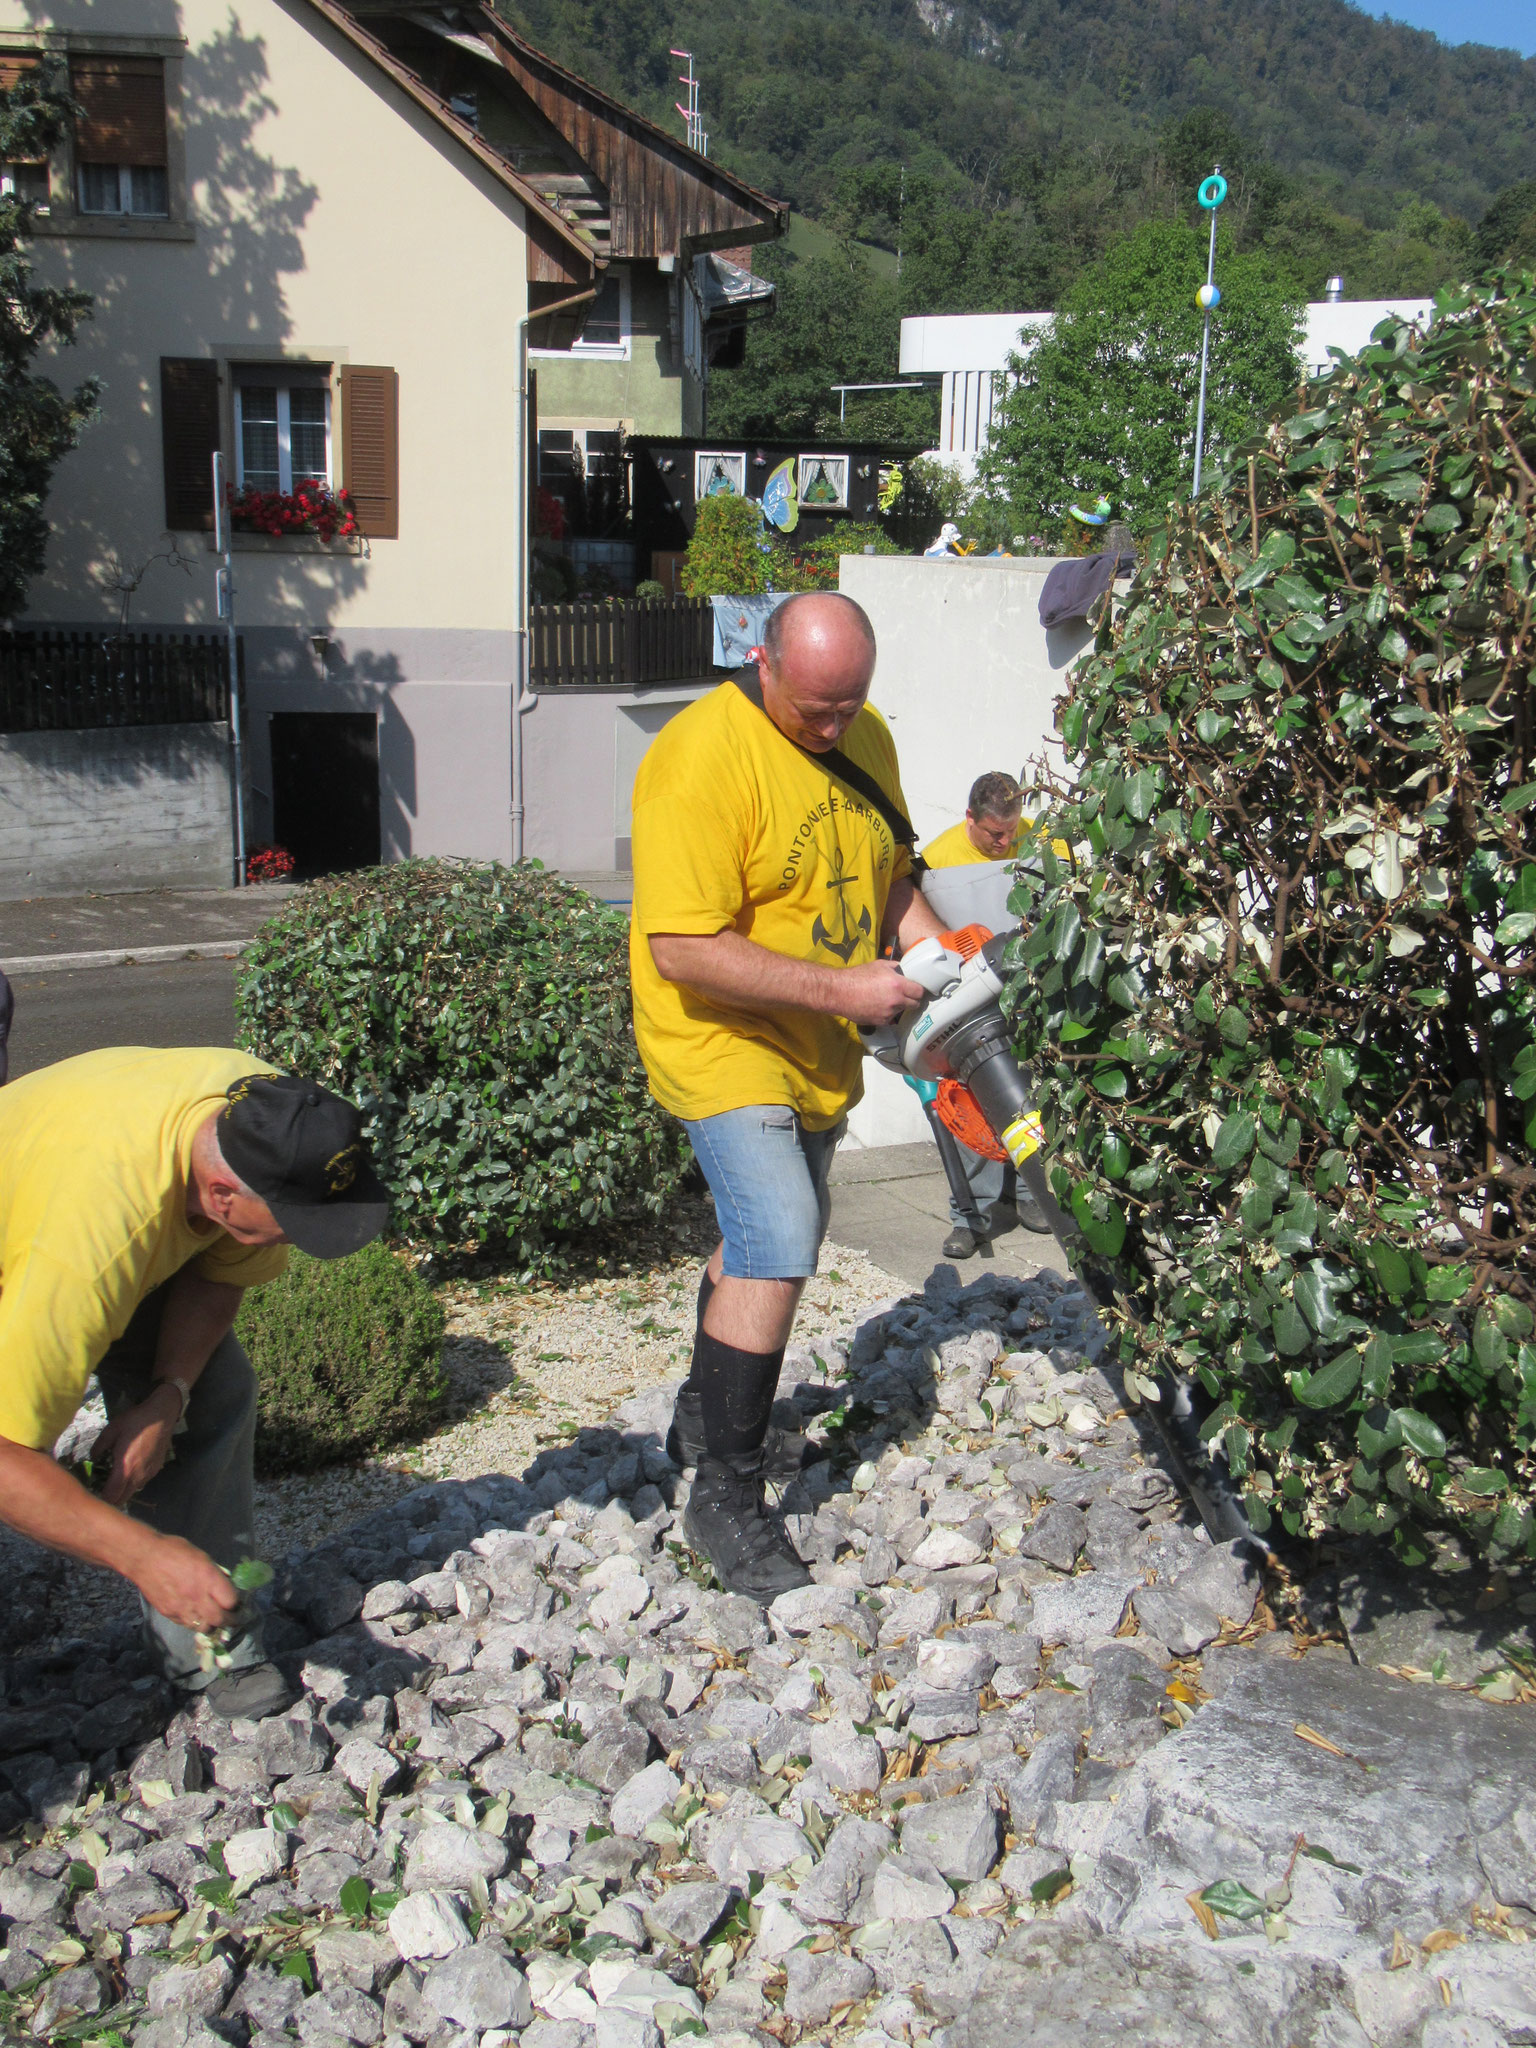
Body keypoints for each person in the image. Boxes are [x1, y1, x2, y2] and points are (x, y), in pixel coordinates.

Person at [630, 590, 947, 1601]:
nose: (832, 725)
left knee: (750, 1241)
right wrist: (847, 989)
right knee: (781, 1228)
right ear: (762, 661)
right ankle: (723, 1494)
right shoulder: (695, 760)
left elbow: (893, 868)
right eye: (814, 707)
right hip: (716, 1030)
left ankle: (699, 1405)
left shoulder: (865, 734)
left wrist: (938, 960)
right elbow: (682, 947)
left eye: (849, 703)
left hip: (815, 1041)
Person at [0, 1050, 391, 1719]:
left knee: (214, 1390)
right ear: (220, 1196)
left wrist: (167, 1395)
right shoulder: (87, 1251)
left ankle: (210, 1647)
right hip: (38, 1230)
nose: (298, 1243)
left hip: (73, 1202)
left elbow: (216, 1275)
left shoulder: (269, 1123)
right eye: (294, 1226)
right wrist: (144, 1555)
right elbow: (5, 1458)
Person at [925, 771, 1054, 1257]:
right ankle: (969, 1215)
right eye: (993, 833)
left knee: (1031, 1095)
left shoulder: (1043, 840)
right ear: (969, 820)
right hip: (969, 1002)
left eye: (1011, 830)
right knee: (969, 1105)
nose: (1005, 841)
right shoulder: (937, 860)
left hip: (1029, 994)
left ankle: (1032, 1195)